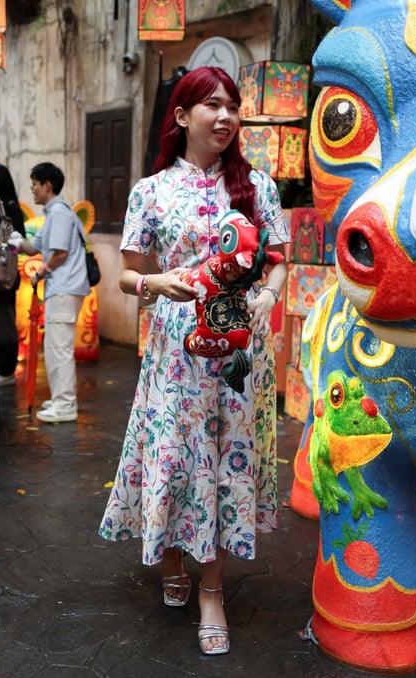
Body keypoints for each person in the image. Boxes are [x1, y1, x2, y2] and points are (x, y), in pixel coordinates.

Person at [97, 66, 289, 656]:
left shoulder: (257, 187)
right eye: (213, 105)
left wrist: (267, 295)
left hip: (236, 352)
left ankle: (212, 588)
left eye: (233, 106)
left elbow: (279, 259)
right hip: (174, 352)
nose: (227, 116)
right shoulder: (150, 191)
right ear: (181, 117)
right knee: (179, 457)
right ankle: (172, 556)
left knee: (225, 460)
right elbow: (127, 271)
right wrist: (156, 282)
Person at [8, 162, 90, 423]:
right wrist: (15, 241)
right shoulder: (54, 212)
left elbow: (59, 253)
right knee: (54, 346)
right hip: (63, 287)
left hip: (65, 286)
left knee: (59, 348)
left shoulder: (61, 214)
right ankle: (60, 399)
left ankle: (65, 405)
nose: (32, 190)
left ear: (47, 185)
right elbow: (34, 248)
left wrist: (40, 273)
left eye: (35, 185)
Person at [0, 162, 28, 385]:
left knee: (4, 322)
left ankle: (6, 369)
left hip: (4, 273)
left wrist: (7, 249)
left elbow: (19, 238)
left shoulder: (10, 207)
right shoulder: (2, 205)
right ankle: (1, 367)